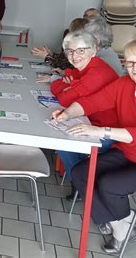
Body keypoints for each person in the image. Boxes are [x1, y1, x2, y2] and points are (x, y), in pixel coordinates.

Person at [53, 38, 136, 254]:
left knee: (109, 183)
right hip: (127, 153)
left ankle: (120, 232)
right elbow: (94, 102)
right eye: (129, 63)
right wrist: (67, 114)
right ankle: (124, 222)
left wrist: (102, 131)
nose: (134, 68)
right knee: (81, 172)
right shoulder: (125, 84)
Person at [50, 31, 119, 199]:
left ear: (93, 51)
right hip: (90, 121)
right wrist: (67, 84)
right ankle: (82, 182)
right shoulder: (87, 66)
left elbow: (65, 98)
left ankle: (83, 184)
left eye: (81, 50)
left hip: (108, 131)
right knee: (60, 136)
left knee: (63, 139)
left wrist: (66, 86)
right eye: (70, 51)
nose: (74, 55)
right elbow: (66, 77)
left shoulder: (97, 73)